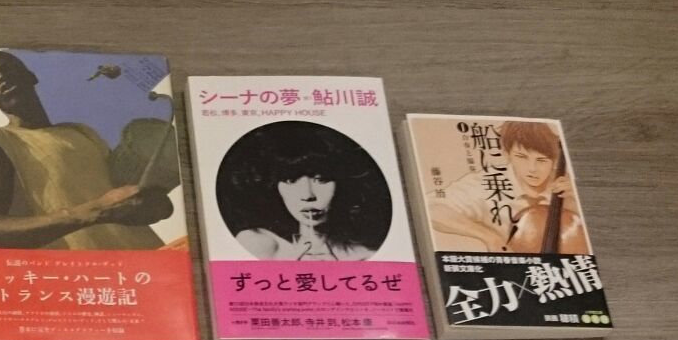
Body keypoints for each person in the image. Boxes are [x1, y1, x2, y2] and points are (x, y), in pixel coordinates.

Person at [0, 50, 174, 251]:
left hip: (146, 259)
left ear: (31, 76)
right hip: (82, 269)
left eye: (7, 68)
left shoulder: (80, 132)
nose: (1, 77)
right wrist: (98, 211)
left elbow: (124, 196)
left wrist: (153, 201)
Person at [219, 121, 389, 260]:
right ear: (275, 187)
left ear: (342, 184)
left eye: (321, 179)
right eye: (290, 180)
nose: (308, 195)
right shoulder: (258, 244)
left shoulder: (364, 257)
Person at [428, 119, 590, 255]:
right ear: (507, 154)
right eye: (521, 157)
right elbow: (433, 209)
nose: (532, 168)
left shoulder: (568, 186)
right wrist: (490, 237)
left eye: (541, 160)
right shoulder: (488, 182)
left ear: (554, 161)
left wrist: (579, 202)